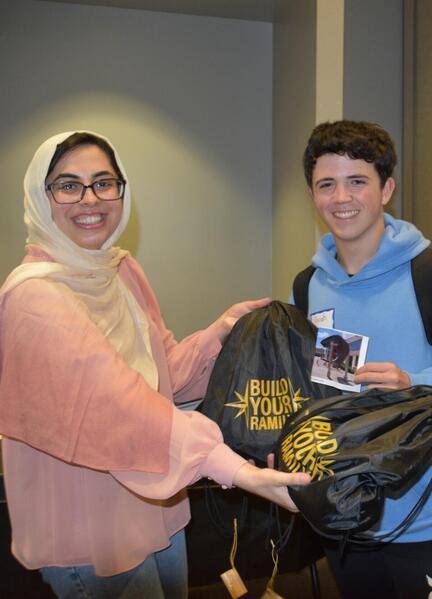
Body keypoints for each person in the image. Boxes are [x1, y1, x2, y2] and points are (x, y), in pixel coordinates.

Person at [0, 131, 311, 598]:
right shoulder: (33, 298)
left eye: (104, 182)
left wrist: (222, 332)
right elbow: (117, 404)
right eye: (68, 185)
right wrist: (237, 471)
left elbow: (166, 372)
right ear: (40, 198)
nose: (90, 199)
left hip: (155, 504)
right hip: (90, 528)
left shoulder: (120, 271)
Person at [295, 120, 432, 598]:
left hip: (423, 514)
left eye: (358, 181)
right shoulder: (308, 286)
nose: (341, 197)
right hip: (344, 508)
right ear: (312, 195)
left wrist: (416, 382)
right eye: (326, 184)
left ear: (386, 189)